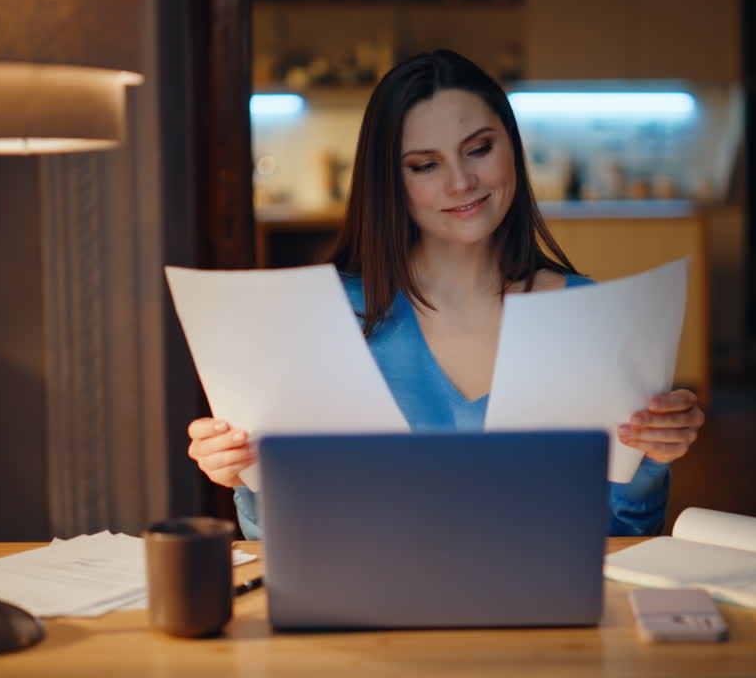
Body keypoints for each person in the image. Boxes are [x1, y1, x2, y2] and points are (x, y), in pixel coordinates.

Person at [187, 49, 704, 540]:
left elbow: (625, 536)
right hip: (377, 617)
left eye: (479, 149)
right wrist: (243, 472)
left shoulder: (589, 316)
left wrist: (653, 456)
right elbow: (283, 538)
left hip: (545, 616)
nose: (461, 182)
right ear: (390, 180)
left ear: (512, 149)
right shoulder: (330, 320)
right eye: (425, 165)